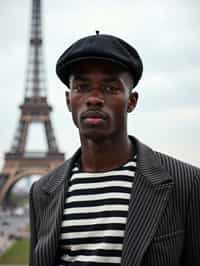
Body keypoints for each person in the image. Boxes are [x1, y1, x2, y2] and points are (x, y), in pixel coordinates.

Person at [29, 32, 200, 266]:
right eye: (82, 87)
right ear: (69, 100)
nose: (94, 98)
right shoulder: (42, 191)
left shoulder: (186, 183)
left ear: (132, 101)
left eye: (110, 88)